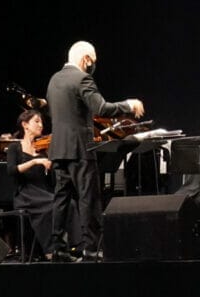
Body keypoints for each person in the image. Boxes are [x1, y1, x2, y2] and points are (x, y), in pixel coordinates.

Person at [46, 40, 144, 262]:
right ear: (86, 59)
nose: (93, 66)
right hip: (79, 149)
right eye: (94, 61)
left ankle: (58, 248)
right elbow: (101, 108)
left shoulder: (54, 80)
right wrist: (128, 104)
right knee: (88, 199)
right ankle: (91, 249)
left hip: (58, 149)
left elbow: (56, 114)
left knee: (61, 200)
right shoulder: (82, 78)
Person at [4, 109, 55, 260]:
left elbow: (50, 180)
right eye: (37, 121)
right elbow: (11, 171)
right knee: (51, 207)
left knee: (68, 204)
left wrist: (51, 161)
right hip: (25, 194)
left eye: (42, 122)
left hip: (43, 193)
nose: (41, 125)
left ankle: (75, 247)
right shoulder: (15, 147)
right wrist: (34, 161)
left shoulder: (42, 149)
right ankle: (50, 251)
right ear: (25, 125)